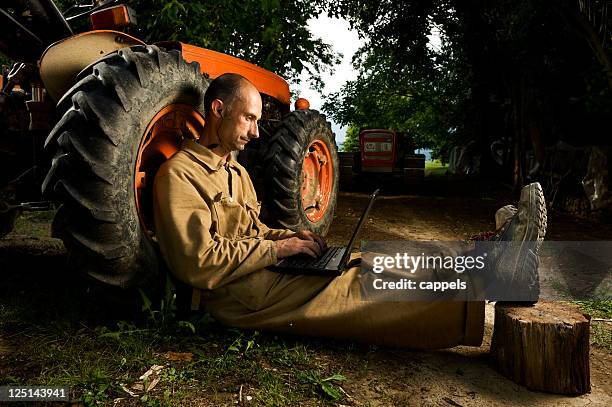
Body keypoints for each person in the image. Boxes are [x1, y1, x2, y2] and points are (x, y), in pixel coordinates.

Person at [153, 73, 547, 349]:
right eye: (250, 118)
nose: (257, 132)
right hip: (237, 294)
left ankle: (488, 258)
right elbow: (198, 262)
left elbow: (252, 231)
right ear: (218, 110)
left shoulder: (234, 169)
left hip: (261, 273)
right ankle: (494, 276)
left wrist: (290, 239)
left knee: (370, 260)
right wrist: (279, 250)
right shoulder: (180, 176)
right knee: (358, 287)